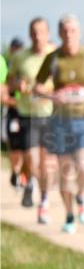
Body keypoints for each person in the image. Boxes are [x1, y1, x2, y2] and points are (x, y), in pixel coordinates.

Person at [33, 14, 84, 234]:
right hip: (60, 122)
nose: (69, 35)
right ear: (60, 33)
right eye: (65, 31)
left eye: (73, 30)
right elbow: (37, 87)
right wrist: (53, 96)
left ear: (79, 32)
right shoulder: (53, 58)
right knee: (66, 173)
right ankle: (69, 215)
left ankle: (80, 196)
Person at [8, 18, 58, 221]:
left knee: (47, 162)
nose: (38, 36)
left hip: (50, 113)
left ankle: (44, 201)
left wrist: (49, 91)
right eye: (34, 32)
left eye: (41, 32)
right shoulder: (20, 57)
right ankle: (30, 182)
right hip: (27, 114)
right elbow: (9, 82)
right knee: (31, 158)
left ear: (48, 33)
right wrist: (17, 85)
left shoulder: (56, 56)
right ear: (30, 34)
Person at [5, 37, 27, 192]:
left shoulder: (26, 68)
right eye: (15, 49)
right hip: (13, 113)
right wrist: (17, 102)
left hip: (28, 114)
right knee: (14, 148)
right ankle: (15, 172)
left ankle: (25, 179)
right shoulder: (6, 68)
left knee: (27, 148)